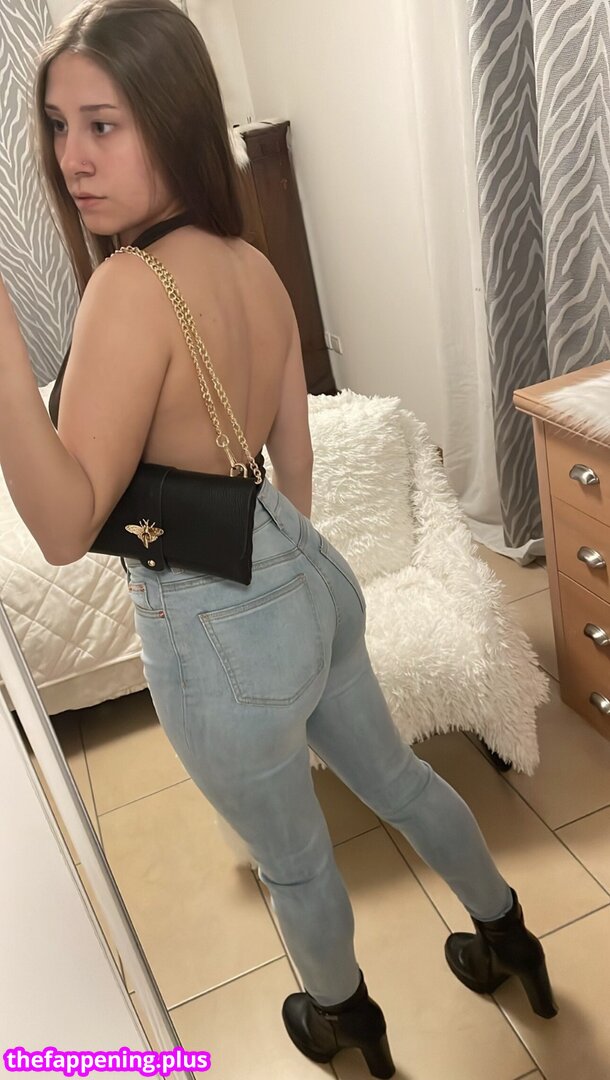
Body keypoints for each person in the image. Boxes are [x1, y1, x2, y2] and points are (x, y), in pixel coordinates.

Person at [0, 1, 557, 1075]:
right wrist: (285, 588)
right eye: (59, 126)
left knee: (296, 859)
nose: (73, 158)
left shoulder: (128, 288)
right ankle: (508, 936)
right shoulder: (248, 262)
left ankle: (346, 1021)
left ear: (170, 118)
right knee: (400, 780)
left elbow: (64, 530)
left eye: (104, 124)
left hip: (214, 633)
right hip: (309, 575)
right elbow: (291, 461)